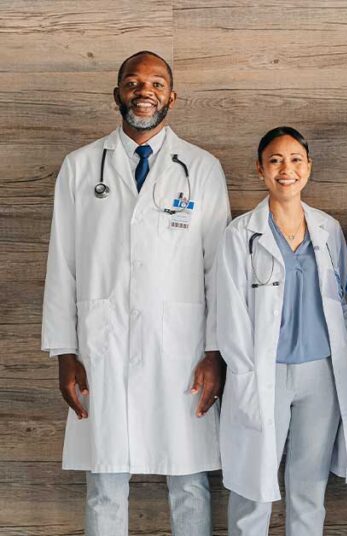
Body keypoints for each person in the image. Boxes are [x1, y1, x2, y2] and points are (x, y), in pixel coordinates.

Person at [41, 50, 230, 535]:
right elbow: (62, 263)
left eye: (156, 83)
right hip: (101, 345)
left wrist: (215, 352)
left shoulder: (202, 169)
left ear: (172, 97)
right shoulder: (81, 167)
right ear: (117, 93)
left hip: (181, 349)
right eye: (133, 82)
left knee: (189, 481)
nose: (144, 90)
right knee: (105, 481)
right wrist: (64, 351)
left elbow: (219, 271)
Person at [216, 127, 347, 535]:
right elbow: (229, 315)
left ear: (308, 167)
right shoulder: (240, 234)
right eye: (276, 160)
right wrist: (244, 376)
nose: (287, 169)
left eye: (296, 159)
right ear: (260, 169)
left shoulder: (329, 231)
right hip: (264, 373)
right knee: (252, 491)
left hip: (321, 375)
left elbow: (344, 302)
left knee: (309, 492)